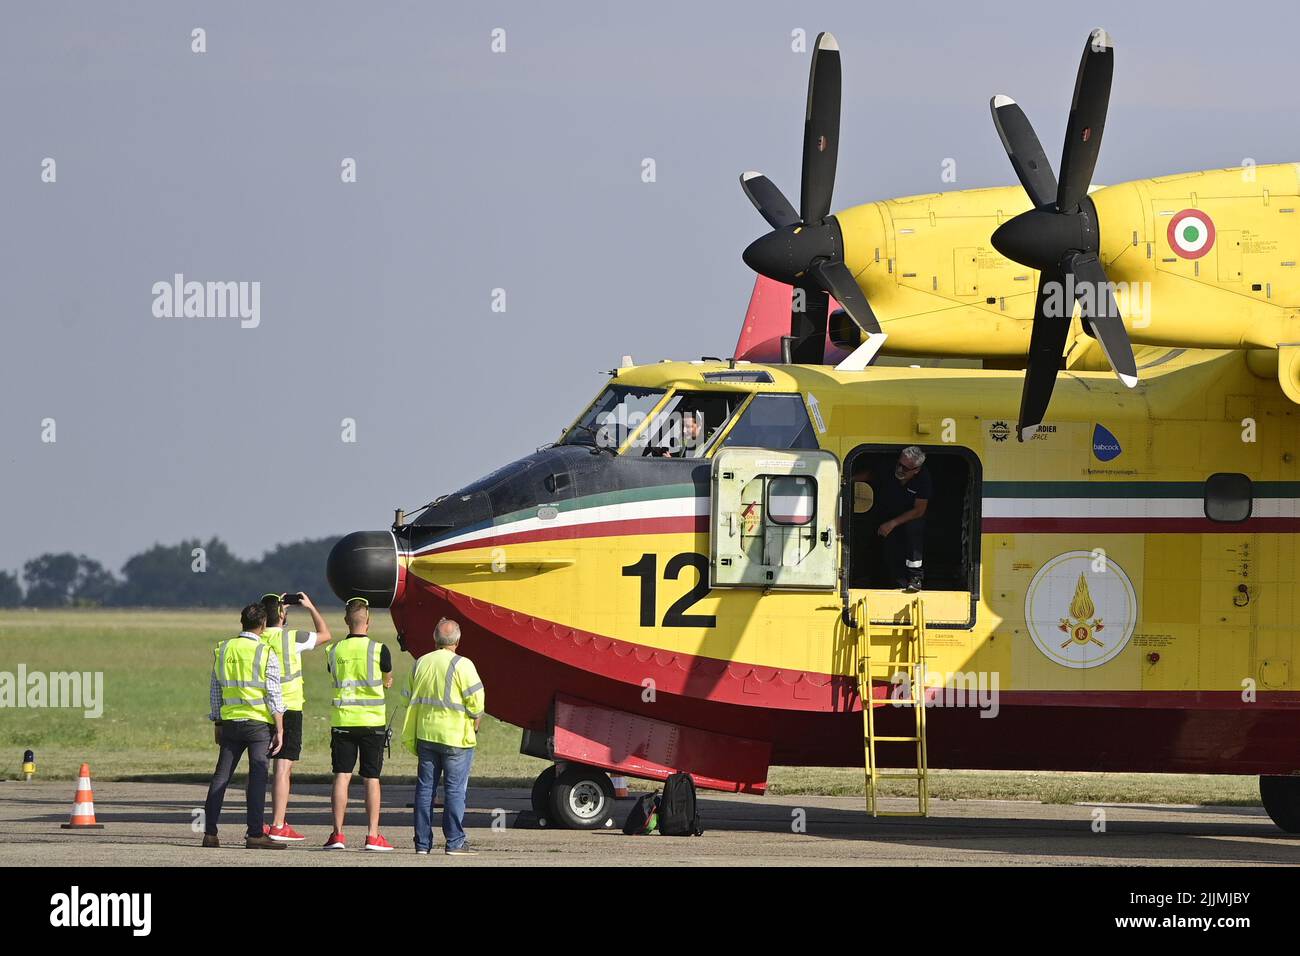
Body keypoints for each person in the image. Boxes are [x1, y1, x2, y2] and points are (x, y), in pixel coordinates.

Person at [201, 603, 285, 849]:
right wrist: (279, 728)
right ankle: (255, 834)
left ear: (242, 622)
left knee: (221, 777)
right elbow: (273, 694)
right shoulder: (266, 652)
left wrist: (217, 720)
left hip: (230, 722)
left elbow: (216, 688)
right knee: (258, 777)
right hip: (258, 724)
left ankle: (210, 833)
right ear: (263, 625)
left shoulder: (224, 648)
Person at [402, 617, 485, 856]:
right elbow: (476, 702)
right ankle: (455, 842)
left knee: (425, 790)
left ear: (434, 639)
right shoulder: (464, 665)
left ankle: (422, 844)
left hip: (426, 735)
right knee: (455, 791)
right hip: (456, 738)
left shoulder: (420, 663)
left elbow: (406, 697)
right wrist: (474, 719)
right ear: (457, 640)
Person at [258, 591, 333, 843]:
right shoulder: (292, 638)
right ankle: (278, 823)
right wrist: (310, 606)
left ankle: (257, 822)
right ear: (282, 614)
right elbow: (326, 635)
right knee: (283, 768)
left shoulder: (255, 639)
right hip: (288, 707)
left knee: (258, 768)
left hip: (260, 709)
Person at [323, 597, 394, 851]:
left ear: (345, 621)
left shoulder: (333, 650)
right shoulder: (379, 649)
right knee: (371, 778)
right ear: (368, 622)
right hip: (372, 722)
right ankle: (373, 835)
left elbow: (336, 674)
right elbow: (387, 676)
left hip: (343, 721)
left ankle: (337, 834)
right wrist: (386, 682)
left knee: (342, 775)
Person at [875, 446, 931, 592]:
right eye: (899, 464)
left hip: (910, 517)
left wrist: (893, 523)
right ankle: (896, 581)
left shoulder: (924, 478)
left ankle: (915, 577)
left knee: (914, 528)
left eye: (905, 468)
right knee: (889, 549)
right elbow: (870, 475)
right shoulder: (888, 469)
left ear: (916, 470)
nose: (900, 469)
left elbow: (919, 510)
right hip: (887, 513)